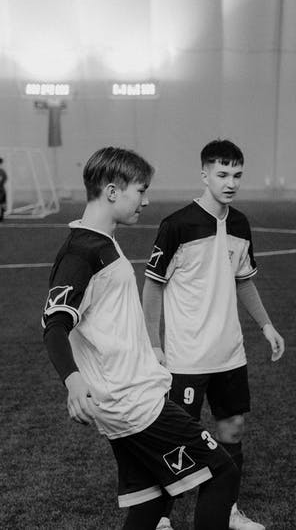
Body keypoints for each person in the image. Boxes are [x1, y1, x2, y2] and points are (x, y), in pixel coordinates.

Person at [41, 146, 238, 530]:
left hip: (126, 400)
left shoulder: (100, 241)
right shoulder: (82, 253)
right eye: (140, 191)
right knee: (222, 474)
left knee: (151, 503)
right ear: (112, 191)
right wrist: (73, 380)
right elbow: (54, 325)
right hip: (135, 404)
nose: (146, 201)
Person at [142, 139, 284, 530]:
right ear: (204, 174)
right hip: (186, 356)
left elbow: (244, 282)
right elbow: (153, 286)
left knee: (232, 430)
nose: (230, 182)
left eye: (237, 174)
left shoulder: (240, 224)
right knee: (177, 441)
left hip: (230, 354)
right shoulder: (177, 225)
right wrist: (154, 344)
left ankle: (227, 510)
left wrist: (267, 325)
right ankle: (161, 518)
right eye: (222, 174)